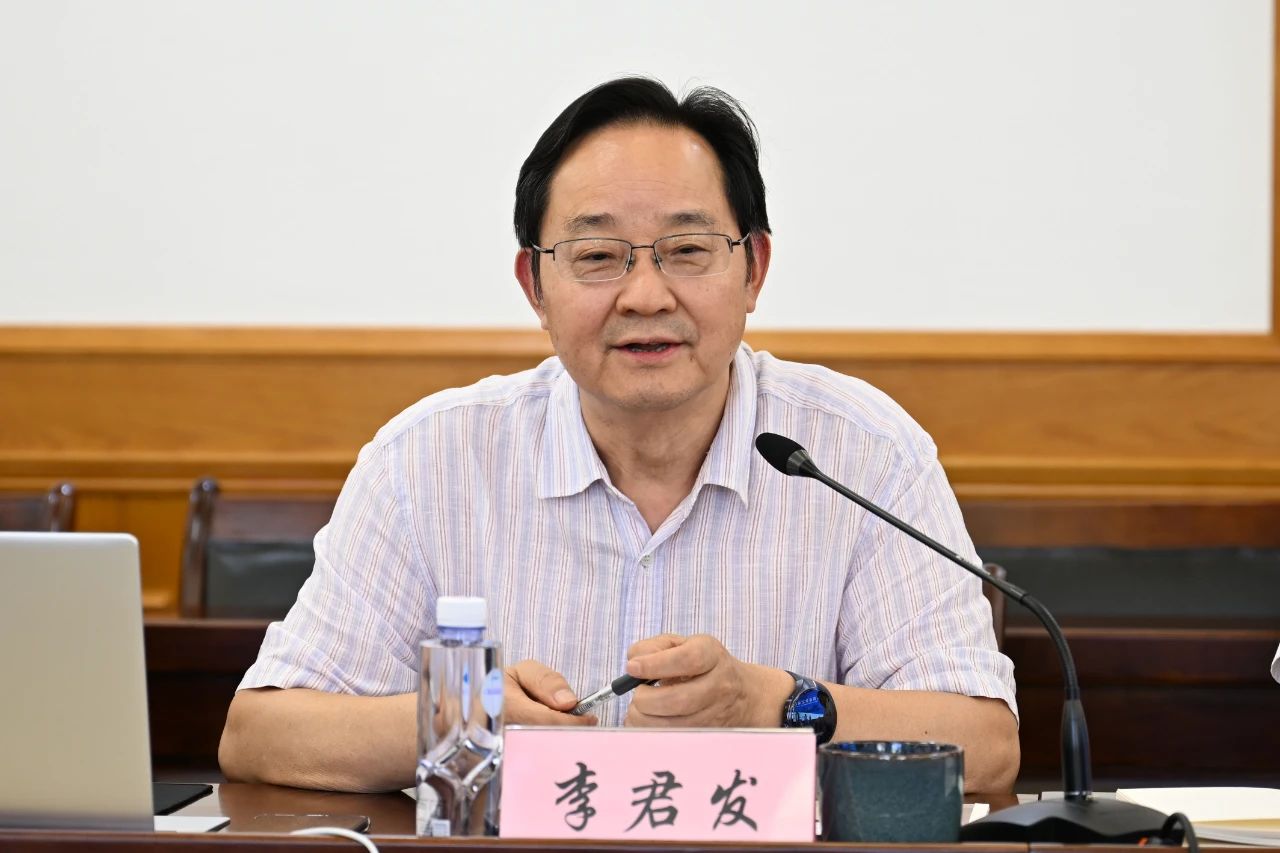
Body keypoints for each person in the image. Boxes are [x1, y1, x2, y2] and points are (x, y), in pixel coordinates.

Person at [219, 77, 1020, 794]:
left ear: (754, 270)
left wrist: (771, 703)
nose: (644, 295)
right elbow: (260, 734)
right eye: (598, 255)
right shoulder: (430, 460)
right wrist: (471, 717)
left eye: (687, 250)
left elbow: (985, 746)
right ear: (535, 285)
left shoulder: (864, 454)